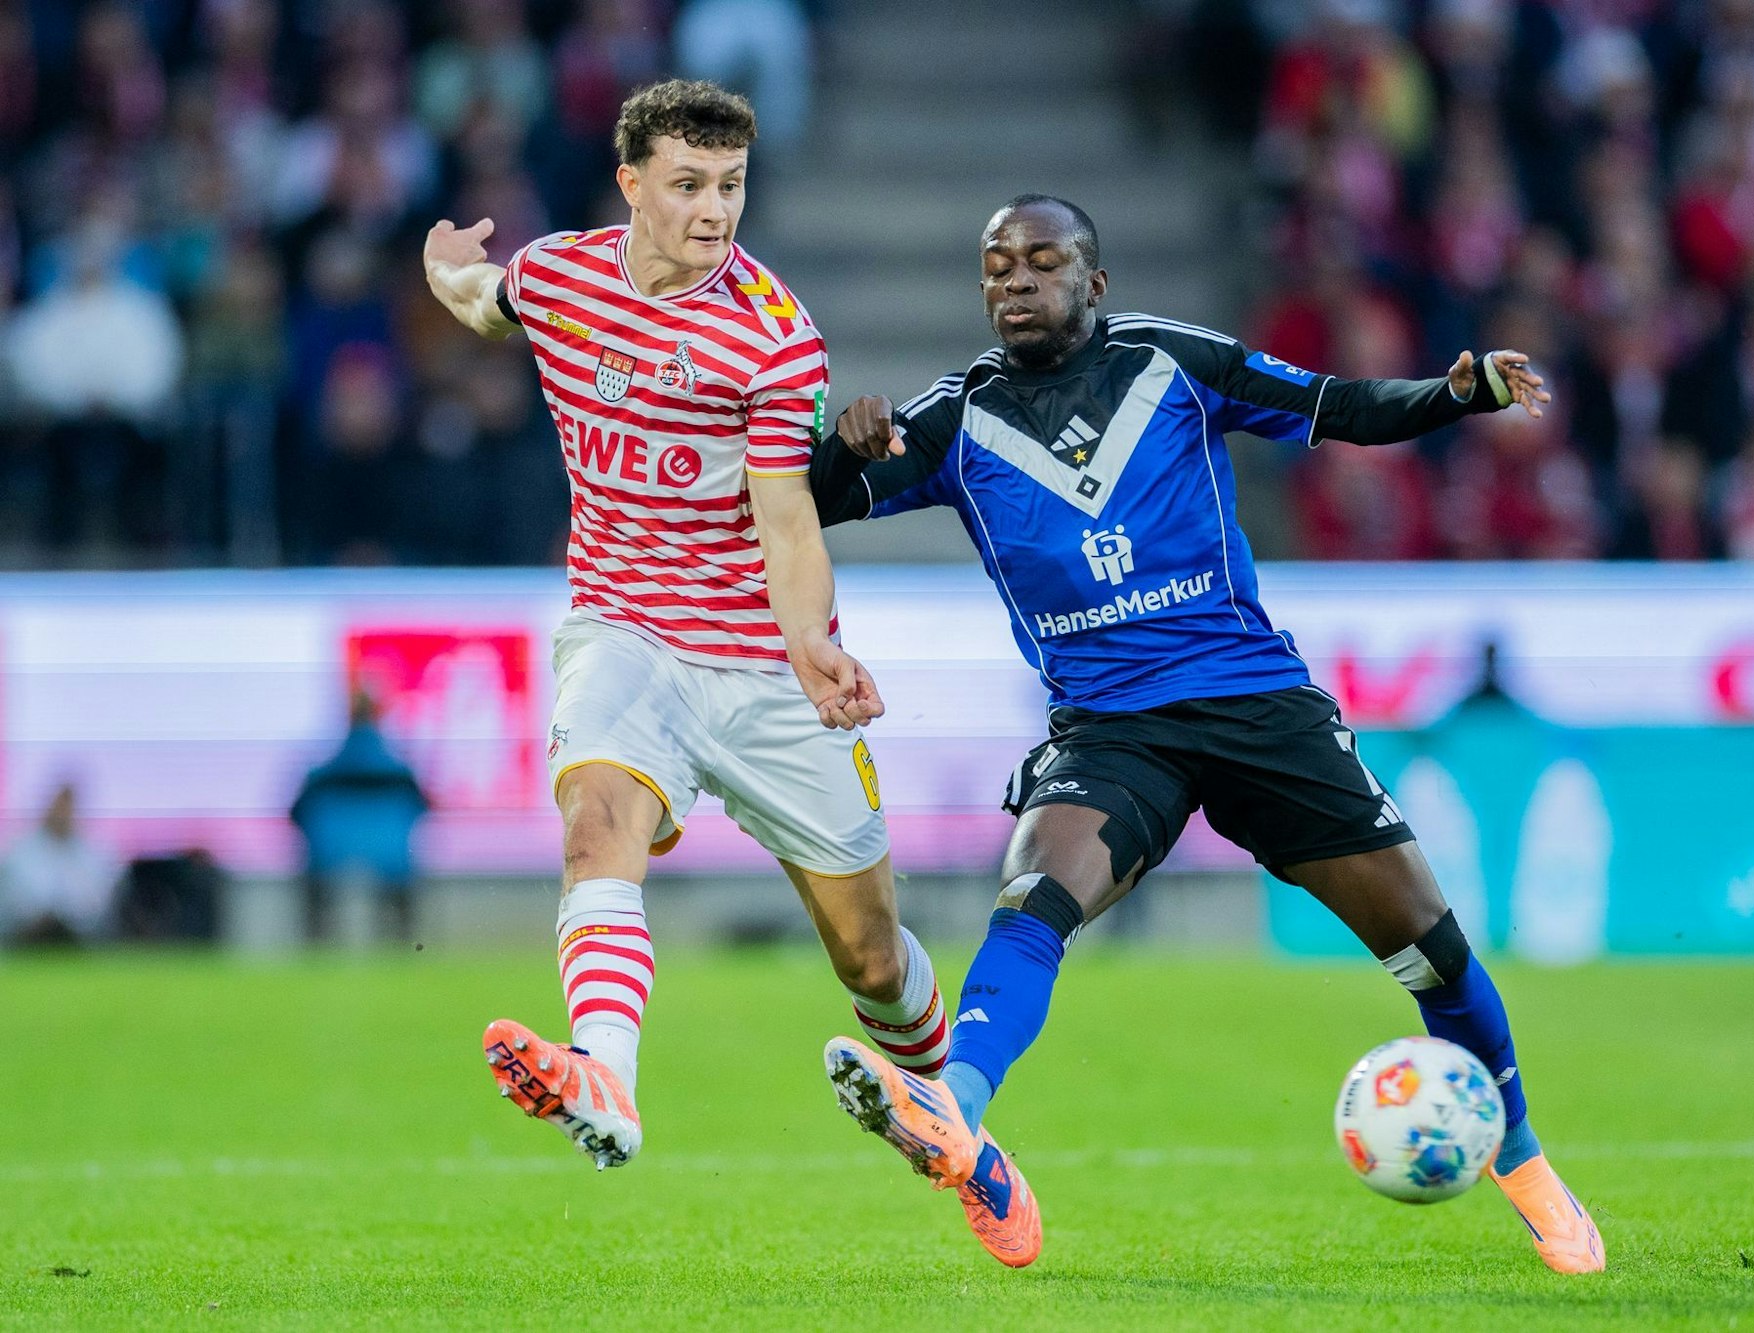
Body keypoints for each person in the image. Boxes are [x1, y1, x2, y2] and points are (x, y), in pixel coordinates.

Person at [808, 195, 1603, 1275]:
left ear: (1093, 281)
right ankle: (952, 1110)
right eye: (995, 265)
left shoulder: (1172, 361)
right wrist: (837, 445)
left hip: (1252, 704)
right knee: (1033, 893)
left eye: (1042, 261)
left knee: (1426, 944)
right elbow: (806, 499)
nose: (1014, 281)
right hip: (1108, 728)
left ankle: (1522, 1162)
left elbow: (1332, 405)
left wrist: (1450, 393)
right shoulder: (953, 419)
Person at [419, 82, 962, 1202]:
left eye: (730, 186)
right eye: (689, 185)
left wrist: (810, 641)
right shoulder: (565, 275)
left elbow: (784, 515)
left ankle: (952, 1118)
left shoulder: (768, 336)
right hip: (626, 632)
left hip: (762, 661)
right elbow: (486, 299)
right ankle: (605, 1080)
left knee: (867, 953)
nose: (715, 211)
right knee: (594, 821)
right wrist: (442, 258)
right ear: (631, 185)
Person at [288, 691, 430, 942]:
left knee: (317, 898)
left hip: (328, 851)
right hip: (392, 854)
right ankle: (402, 948)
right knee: (400, 897)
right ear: (379, 715)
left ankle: (317, 949)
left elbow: (295, 813)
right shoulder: (401, 772)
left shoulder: (321, 772)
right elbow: (423, 808)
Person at [0, 784, 122, 947]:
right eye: (58, 806)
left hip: (79, 939)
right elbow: (12, 898)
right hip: (25, 937)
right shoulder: (19, 850)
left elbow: (97, 902)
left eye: (67, 808)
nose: (62, 813)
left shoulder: (93, 853)